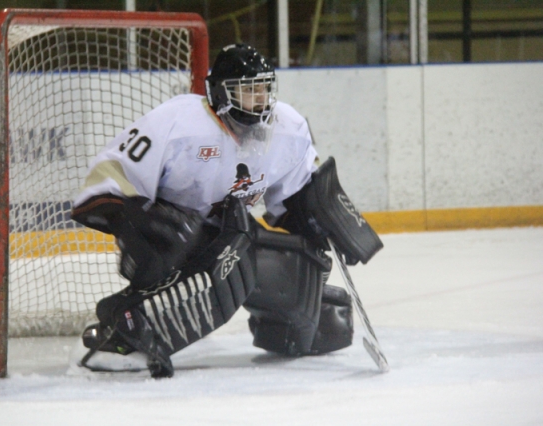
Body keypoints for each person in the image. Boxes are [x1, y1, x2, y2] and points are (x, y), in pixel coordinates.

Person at [71, 44, 383, 378]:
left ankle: (294, 328)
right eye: (248, 90)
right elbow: (103, 184)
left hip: (230, 236)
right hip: (165, 241)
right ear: (221, 93)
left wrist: (320, 221)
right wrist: (136, 220)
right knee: (212, 251)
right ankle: (124, 335)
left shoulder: (287, 128)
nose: (260, 98)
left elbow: (296, 199)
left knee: (300, 264)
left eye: (263, 89)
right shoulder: (178, 122)